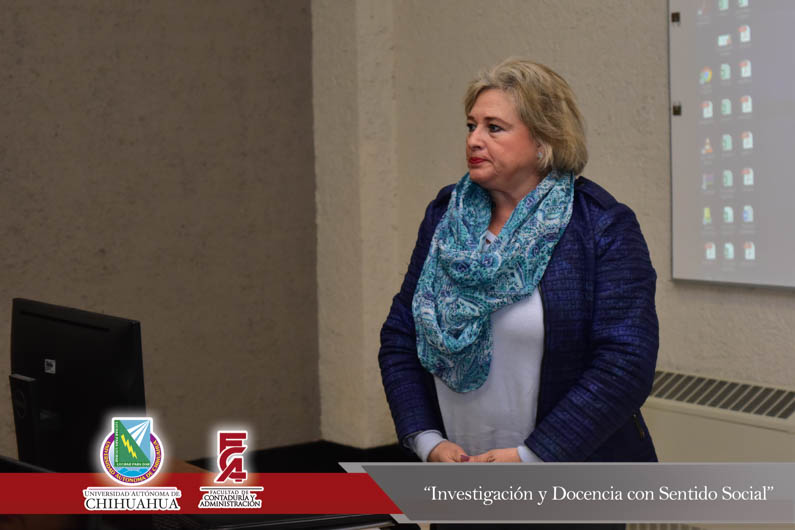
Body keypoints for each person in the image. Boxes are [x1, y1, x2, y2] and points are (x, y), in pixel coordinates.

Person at [378, 58, 659, 470]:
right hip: (459, 473)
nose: (474, 140)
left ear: (544, 140)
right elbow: (401, 336)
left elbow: (626, 362)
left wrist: (534, 456)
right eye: (471, 126)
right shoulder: (444, 219)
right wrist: (426, 440)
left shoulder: (600, 225)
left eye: (494, 128)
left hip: (570, 478)